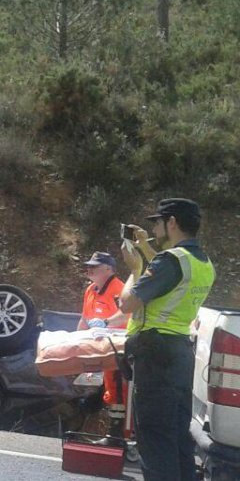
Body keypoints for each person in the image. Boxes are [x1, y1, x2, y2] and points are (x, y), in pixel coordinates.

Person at [119, 198, 215, 480]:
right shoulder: (203, 263)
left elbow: (127, 304)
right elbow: (169, 274)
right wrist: (146, 250)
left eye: (157, 223)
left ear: (171, 222)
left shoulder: (169, 262)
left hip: (156, 355)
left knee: (155, 440)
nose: (155, 230)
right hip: (180, 354)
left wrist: (134, 268)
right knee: (176, 439)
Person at [77, 250, 129, 437]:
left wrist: (106, 323)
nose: (88, 271)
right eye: (88, 267)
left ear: (108, 269)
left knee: (117, 392)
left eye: (94, 267)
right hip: (97, 348)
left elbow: (127, 313)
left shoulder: (120, 290)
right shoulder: (90, 291)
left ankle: (117, 435)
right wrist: (76, 344)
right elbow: (84, 319)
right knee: (108, 392)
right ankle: (109, 431)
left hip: (116, 350)